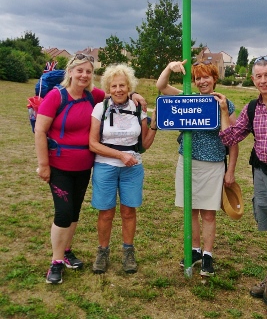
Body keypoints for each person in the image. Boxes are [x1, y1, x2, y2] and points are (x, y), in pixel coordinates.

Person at [35, 54, 146, 284]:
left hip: (84, 166)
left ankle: (66, 252)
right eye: (80, 71)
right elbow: (40, 131)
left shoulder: (92, 95)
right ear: (71, 72)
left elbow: (115, 92)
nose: (84, 75)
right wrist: (43, 164)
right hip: (59, 165)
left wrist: (134, 94)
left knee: (74, 212)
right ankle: (56, 261)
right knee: (63, 213)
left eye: (88, 71)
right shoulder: (56, 96)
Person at [214, 56, 267, 317]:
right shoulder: (253, 108)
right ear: (253, 80)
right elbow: (231, 136)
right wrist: (226, 114)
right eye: (258, 76)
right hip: (261, 174)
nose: (263, 80)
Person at [156, 59, 238, 277]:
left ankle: (208, 255)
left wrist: (230, 171)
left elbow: (232, 138)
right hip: (188, 163)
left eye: (206, 77)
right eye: (198, 78)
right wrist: (169, 68)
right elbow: (161, 87)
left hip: (213, 165)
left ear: (214, 79)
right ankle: (194, 250)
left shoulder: (224, 103)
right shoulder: (187, 99)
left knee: (208, 214)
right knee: (190, 211)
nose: (202, 81)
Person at [89, 63, 157, 274]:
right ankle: (102, 251)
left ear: (129, 87)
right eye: (114, 86)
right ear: (108, 88)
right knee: (106, 212)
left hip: (132, 168)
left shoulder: (137, 108)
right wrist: (119, 155)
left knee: (129, 211)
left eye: (122, 85)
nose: (118, 89)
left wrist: (155, 125)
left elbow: (144, 144)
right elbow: (93, 143)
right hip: (105, 165)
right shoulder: (100, 108)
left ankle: (128, 252)